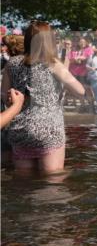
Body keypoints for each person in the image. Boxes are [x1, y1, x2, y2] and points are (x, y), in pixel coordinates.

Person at [1, 21, 86, 174]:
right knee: (52, 181)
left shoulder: (12, 64)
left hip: (21, 130)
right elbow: (80, 91)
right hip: (48, 131)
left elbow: (4, 95)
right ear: (49, 40)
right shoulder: (52, 64)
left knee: (23, 182)